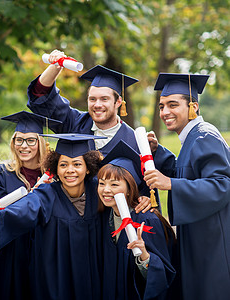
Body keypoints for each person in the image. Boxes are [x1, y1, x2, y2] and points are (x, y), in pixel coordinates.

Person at [0, 133, 108, 299]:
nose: (70, 170)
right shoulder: (47, 193)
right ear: (55, 168)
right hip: (57, 279)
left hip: (94, 275)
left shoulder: (99, 190)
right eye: (63, 165)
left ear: (88, 167)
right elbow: (27, 207)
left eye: (77, 164)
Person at [144, 73, 230, 300]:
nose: (165, 112)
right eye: (162, 106)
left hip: (210, 242)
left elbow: (221, 185)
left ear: (193, 106)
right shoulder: (192, 137)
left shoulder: (204, 136)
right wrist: (157, 151)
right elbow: (188, 171)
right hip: (199, 237)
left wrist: (170, 183)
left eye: (173, 105)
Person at [0, 111, 61, 300]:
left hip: (42, 250)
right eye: (19, 140)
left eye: (31, 140)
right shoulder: (1, 173)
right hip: (10, 252)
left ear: (41, 143)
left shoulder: (53, 176)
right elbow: (0, 216)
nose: (24, 146)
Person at [97, 140, 177, 299]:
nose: (106, 190)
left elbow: (164, 273)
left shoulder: (147, 220)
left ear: (129, 189)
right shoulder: (104, 217)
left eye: (114, 184)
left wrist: (145, 257)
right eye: (101, 183)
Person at [27, 49, 139, 156]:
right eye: (92, 99)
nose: (97, 105)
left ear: (118, 102)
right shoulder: (74, 122)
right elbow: (41, 96)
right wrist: (56, 65)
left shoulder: (133, 140)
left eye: (104, 99)